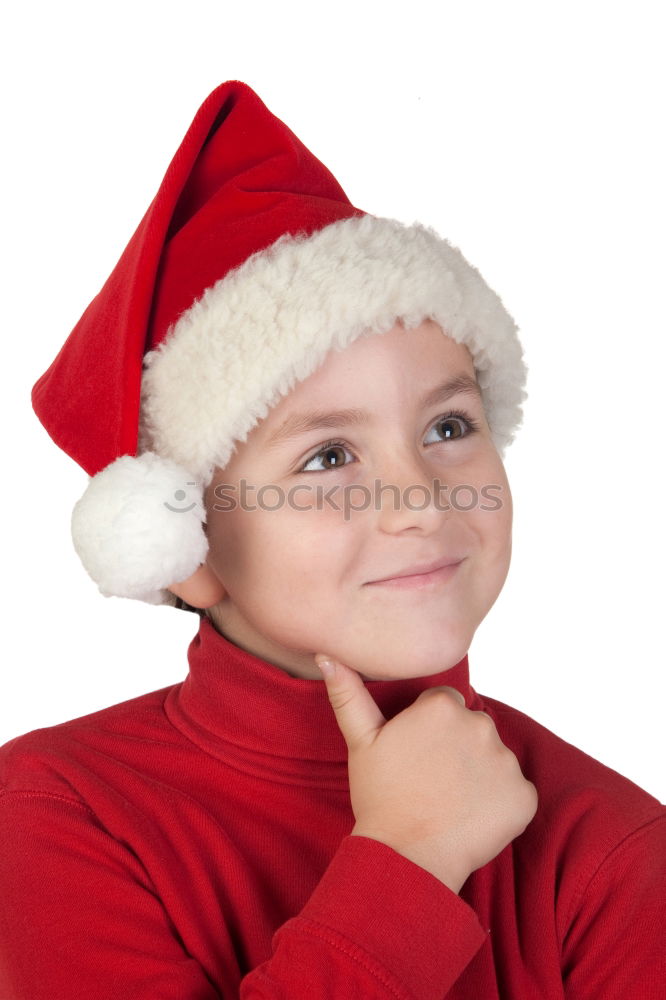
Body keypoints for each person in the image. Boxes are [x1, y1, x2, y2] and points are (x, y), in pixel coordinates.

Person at [0, 79, 663, 999]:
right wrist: (407, 863)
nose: (419, 502)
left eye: (447, 427)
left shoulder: (611, 851)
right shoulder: (55, 812)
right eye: (328, 456)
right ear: (186, 547)